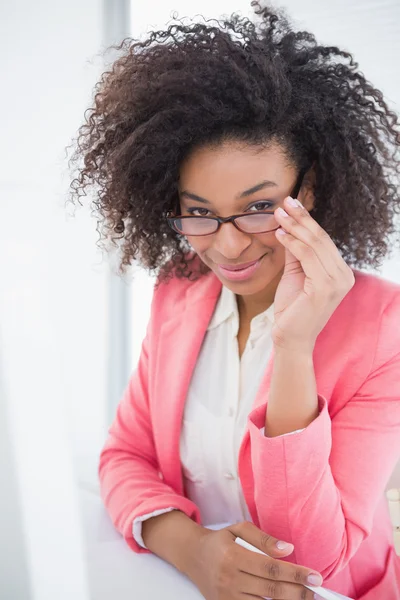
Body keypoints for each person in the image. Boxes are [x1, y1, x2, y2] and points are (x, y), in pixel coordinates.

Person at [69, 2, 400, 598]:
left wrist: (294, 347)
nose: (225, 246)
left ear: (312, 188)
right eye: (199, 213)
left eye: (257, 206)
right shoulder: (179, 291)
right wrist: (192, 549)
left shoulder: (385, 323)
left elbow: (313, 563)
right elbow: (124, 456)